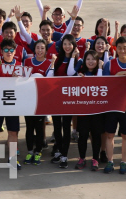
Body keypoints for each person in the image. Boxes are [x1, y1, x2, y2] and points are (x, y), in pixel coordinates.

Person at [102, 36, 126, 174]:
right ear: (116, 49)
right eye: (119, 48)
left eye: (125, 47)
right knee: (110, 135)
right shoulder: (110, 64)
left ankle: (123, 162)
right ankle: (110, 161)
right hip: (112, 105)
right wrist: (116, 76)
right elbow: (104, 83)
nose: (122, 50)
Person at [0, 38, 23, 170]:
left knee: (13, 132)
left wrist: (17, 81)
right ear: (1, 52)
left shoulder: (19, 65)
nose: (8, 52)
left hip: (12, 104)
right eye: (6, 50)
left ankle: (12, 159)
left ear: (15, 52)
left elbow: (23, 87)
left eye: (11, 50)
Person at [47, 34, 82, 169]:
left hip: (68, 100)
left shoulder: (79, 61)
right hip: (56, 99)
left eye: (70, 44)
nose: (67, 46)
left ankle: (64, 155)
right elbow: (50, 76)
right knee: (57, 128)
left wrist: (73, 57)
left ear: (74, 46)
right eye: (65, 44)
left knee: (66, 128)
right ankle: (59, 151)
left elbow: (69, 73)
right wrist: (51, 63)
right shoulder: (58, 59)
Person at [74, 50, 104, 171]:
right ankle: (82, 158)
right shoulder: (80, 74)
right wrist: (79, 79)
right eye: (88, 59)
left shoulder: (101, 73)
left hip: (97, 111)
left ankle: (95, 159)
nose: (91, 62)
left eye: (93, 59)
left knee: (96, 135)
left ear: (97, 61)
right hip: (84, 111)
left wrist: (101, 68)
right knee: (83, 135)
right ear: (84, 61)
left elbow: (101, 82)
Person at [22, 39, 51, 166]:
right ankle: (29, 151)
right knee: (29, 127)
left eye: (42, 48)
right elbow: (23, 79)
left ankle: (38, 152)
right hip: (28, 100)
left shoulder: (49, 63)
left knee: (39, 128)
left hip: (41, 101)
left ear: (45, 50)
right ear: (34, 49)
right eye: (38, 48)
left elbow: (50, 82)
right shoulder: (27, 62)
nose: (40, 50)